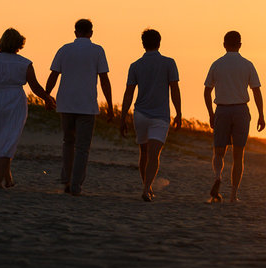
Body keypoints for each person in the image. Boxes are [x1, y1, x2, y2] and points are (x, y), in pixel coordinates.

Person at [0, 28, 55, 189]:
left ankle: (8, 179)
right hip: (15, 100)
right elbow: (35, 86)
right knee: (8, 141)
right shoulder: (25, 63)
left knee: (2, 140)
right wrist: (48, 98)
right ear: (19, 44)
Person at [44, 18, 113, 196]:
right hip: (87, 105)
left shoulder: (64, 49)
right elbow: (104, 79)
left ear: (75, 32)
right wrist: (110, 105)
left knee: (68, 142)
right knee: (82, 147)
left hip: (66, 103)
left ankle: (67, 180)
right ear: (91, 32)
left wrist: (46, 96)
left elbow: (54, 75)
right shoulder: (97, 51)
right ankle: (76, 184)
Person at [119, 28, 183, 202]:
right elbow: (174, 89)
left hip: (140, 114)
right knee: (154, 154)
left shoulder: (136, 65)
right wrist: (178, 112)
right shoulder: (169, 63)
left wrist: (123, 116)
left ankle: (146, 187)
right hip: (160, 115)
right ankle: (147, 188)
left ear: (143, 44)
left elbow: (128, 93)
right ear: (159, 43)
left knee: (144, 153)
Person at [203, 30, 265, 203]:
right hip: (240, 110)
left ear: (224, 44)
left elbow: (207, 91)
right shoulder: (247, 64)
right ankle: (233, 195)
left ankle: (217, 176)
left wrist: (211, 113)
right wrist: (261, 114)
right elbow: (256, 91)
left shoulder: (217, 64)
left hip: (222, 109)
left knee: (219, 151)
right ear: (240, 45)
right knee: (238, 155)